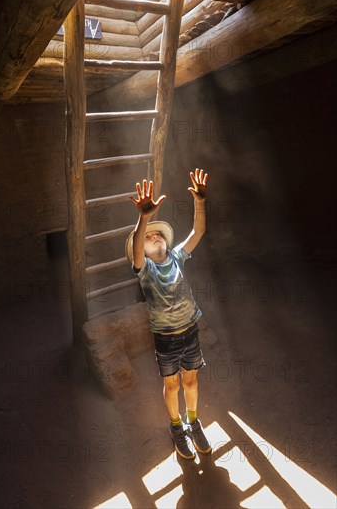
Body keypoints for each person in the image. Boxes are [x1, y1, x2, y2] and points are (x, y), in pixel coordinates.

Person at [125, 168, 211, 459]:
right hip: (166, 338)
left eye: (156, 234)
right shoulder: (145, 269)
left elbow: (198, 232)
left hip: (190, 330)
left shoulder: (176, 256)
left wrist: (200, 202)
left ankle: (194, 421)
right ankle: (176, 427)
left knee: (191, 381)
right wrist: (144, 217)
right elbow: (136, 250)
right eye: (147, 238)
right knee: (172, 383)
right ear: (144, 251)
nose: (153, 237)